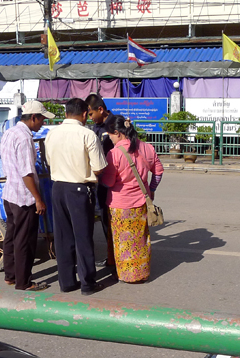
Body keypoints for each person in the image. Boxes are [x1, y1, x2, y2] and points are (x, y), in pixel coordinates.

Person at [44, 97, 108, 295]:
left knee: (63, 237)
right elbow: (98, 168)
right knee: (83, 237)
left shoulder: (51, 134)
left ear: (65, 114)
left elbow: (48, 161)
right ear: (83, 114)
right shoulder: (87, 135)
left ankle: (67, 282)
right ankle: (88, 283)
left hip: (58, 188)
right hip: (79, 189)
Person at [0, 100, 54, 292]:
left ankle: (11, 275)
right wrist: (38, 199)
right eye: (41, 120)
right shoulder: (24, 139)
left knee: (12, 237)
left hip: (10, 193)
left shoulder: (10, 132)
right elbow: (27, 173)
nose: (43, 124)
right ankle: (24, 282)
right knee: (25, 240)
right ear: (33, 118)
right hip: (23, 197)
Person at [98, 116, 158, 283]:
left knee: (123, 242)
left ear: (117, 133)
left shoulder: (114, 153)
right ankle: (141, 273)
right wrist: (151, 190)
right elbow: (158, 172)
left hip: (120, 206)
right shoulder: (147, 148)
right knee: (140, 240)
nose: (109, 138)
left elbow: (109, 182)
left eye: (110, 135)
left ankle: (127, 275)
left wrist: (100, 178)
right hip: (141, 204)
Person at [85, 94, 121, 268]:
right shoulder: (95, 127)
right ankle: (112, 257)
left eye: (90, 114)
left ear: (100, 109)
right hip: (99, 183)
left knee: (114, 221)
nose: (89, 118)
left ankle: (117, 258)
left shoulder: (116, 124)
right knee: (106, 221)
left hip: (114, 182)